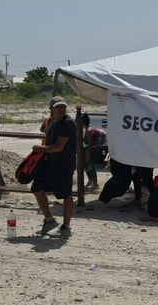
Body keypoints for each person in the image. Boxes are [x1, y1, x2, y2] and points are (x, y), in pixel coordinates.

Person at [32, 96, 77, 237]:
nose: (61, 109)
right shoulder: (52, 121)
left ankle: (66, 227)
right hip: (50, 163)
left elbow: (59, 147)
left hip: (63, 164)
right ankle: (49, 220)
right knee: (37, 187)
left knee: (66, 194)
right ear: (51, 108)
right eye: (58, 106)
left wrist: (41, 149)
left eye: (63, 106)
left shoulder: (68, 123)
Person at [82, 113, 107, 191]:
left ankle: (95, 184)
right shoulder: (87, 130)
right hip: (88, 150)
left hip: (91, 151)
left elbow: (90, 144)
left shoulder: (89, 130)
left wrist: (87, 155)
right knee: (86, 166)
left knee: (91, 166)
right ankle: (91, 181)